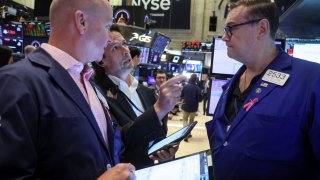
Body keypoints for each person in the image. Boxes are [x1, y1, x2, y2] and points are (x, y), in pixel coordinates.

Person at [0, 0, 135, 179]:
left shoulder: (89, 83)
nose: (108, 38)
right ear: (82, 22)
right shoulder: (17, 81)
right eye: (107, 26)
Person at [205, 0, 320, 179]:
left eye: (231, 28)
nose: (224, 37)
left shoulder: (311, 80)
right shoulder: (230, 85)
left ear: (262, 29)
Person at [92, 24, 185, 169]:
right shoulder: (96, 94)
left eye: (124, 44)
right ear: (100, 60)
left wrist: (166, 154)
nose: (126, 51)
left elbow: (160, 135)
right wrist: (159, 109)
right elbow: (118, 140)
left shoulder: (147, 93)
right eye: (115, 48)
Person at [181, 74, 202, 142]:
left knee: (185, 120)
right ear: (196, 80)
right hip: (194, 108)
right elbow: (200, 100)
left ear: (190, 78)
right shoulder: (198, 88)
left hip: (185, 106)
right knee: (191, 121)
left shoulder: (185, 86)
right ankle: (189, 133)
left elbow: (182, 95)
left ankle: (185, 134)